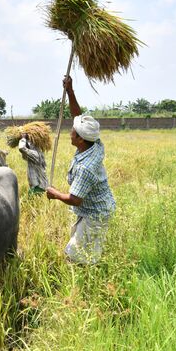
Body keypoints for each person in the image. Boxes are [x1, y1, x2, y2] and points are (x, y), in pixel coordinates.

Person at [46, 76, 116, 264]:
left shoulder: (86, 167)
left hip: (95, 212)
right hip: (91, 209)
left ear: (80, 139)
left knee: (76, 255)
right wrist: (70, 91)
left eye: (73, 132)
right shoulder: (94, 142)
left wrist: (55, 194)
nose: (71, 132)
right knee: (85, 247)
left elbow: (75, 199)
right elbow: (78, 117)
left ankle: (82, 284)